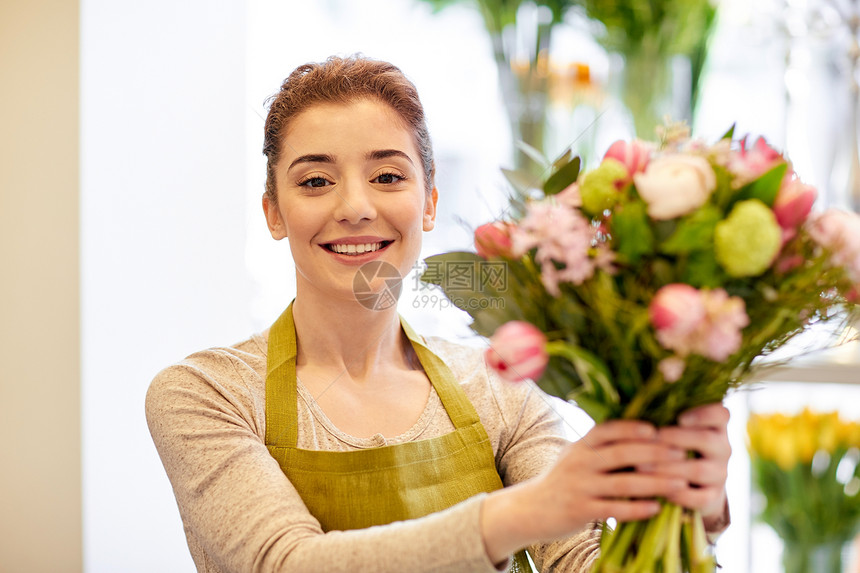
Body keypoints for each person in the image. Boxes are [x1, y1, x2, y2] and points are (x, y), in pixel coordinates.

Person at [146, 55, 731, 573]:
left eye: (388, 176)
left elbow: (583, 565)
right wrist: (522, 512)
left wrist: (687, 517)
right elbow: (289, 564)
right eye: (316, 180)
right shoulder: (205, 395)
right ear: (274, 212)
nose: (355, 207)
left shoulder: (500, 389)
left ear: (428, 203)